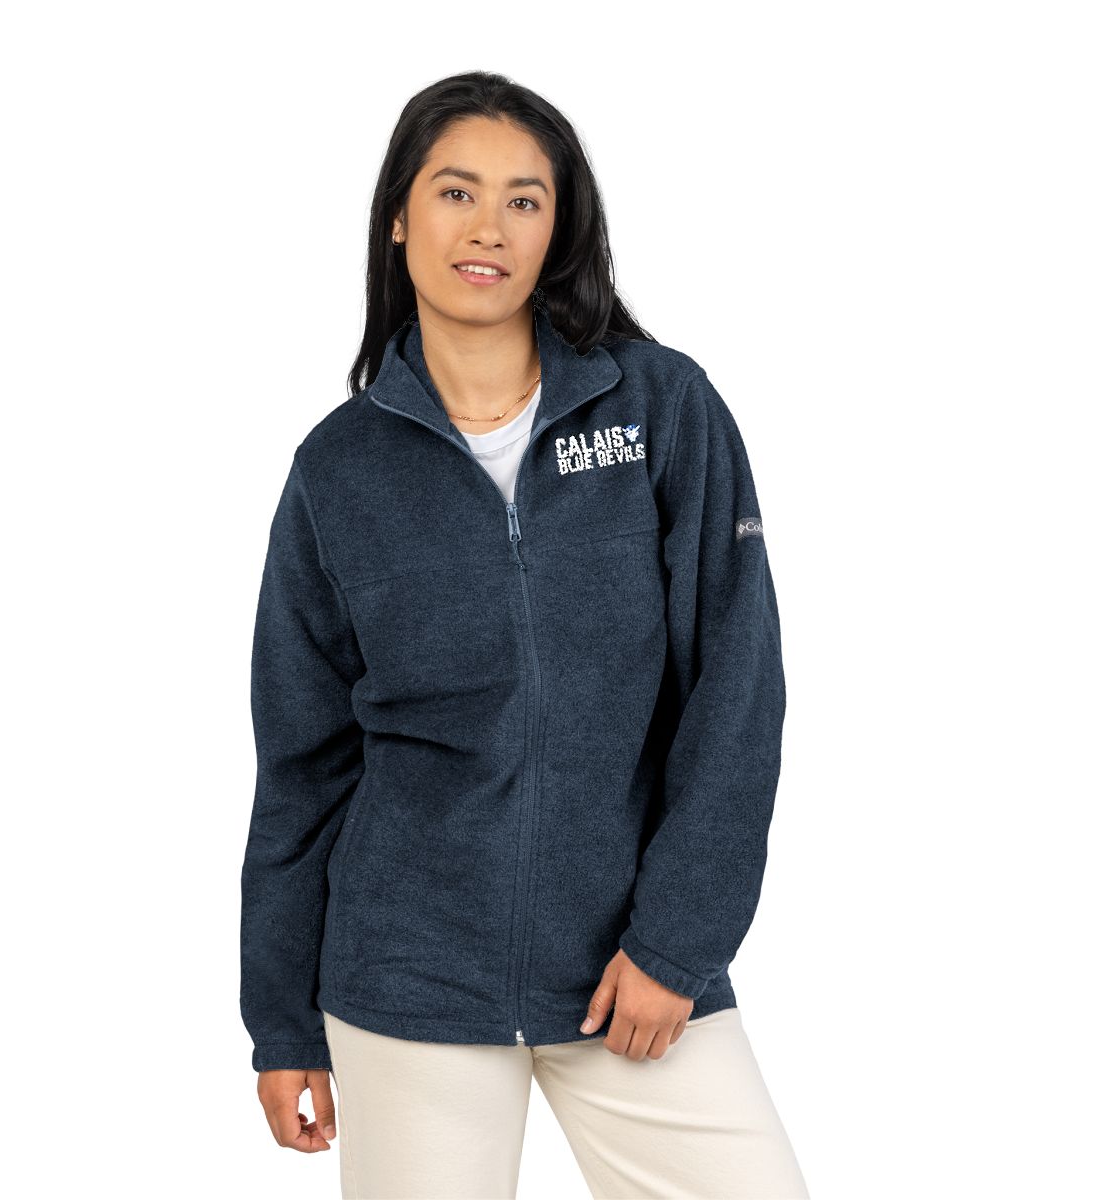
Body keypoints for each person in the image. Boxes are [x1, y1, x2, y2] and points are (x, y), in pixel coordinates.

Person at [240, 70, 810, 1199]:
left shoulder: (659, 408)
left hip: (630, 970)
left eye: (524, 200)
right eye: (456, 192)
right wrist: (280, 1020)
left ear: (560, 229)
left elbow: (736, 687)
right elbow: (302, 766)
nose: (488, 228)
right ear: (399, 216)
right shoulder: (337, 471)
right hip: (408, 981)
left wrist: (676, 942)